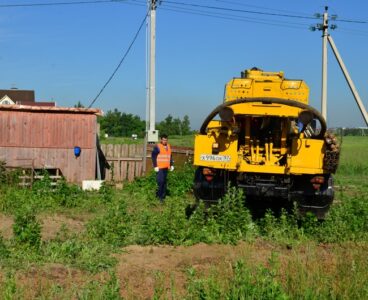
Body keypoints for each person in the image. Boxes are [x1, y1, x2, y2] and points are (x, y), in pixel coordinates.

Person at [151, 134, 174, 202]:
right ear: (161, 140)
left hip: (166, 167)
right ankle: (159, 197)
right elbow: (153, 156)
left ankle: (163, 196)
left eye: (166, 140)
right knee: (160, 182)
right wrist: (155, 166)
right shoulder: (158, 146)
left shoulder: (168, 146)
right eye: (163, 140)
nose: (165, 141)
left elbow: (170, 156)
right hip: (160, 168)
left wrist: (171, 164)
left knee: (164, 182)